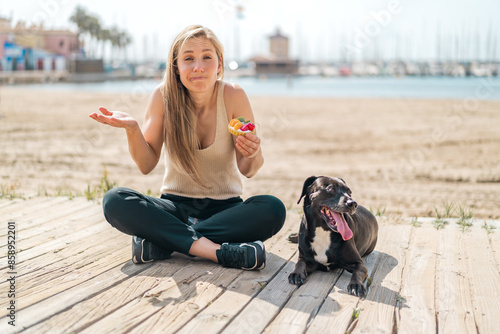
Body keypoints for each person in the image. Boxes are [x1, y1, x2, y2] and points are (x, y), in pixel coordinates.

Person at [89, 25, 286, 270]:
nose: (198, 67)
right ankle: (215, 251)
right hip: (174, 207)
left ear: (219, 64)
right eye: (188, 59)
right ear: (176, 67)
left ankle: (165, 242)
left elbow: (248, 170)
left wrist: (253, 153)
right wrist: (132, 129)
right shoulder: (162, 97)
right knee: (114, 200)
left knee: (273, 209)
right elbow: (146, 164)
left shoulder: (234, 95)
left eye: (207, 57)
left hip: (225, 209)